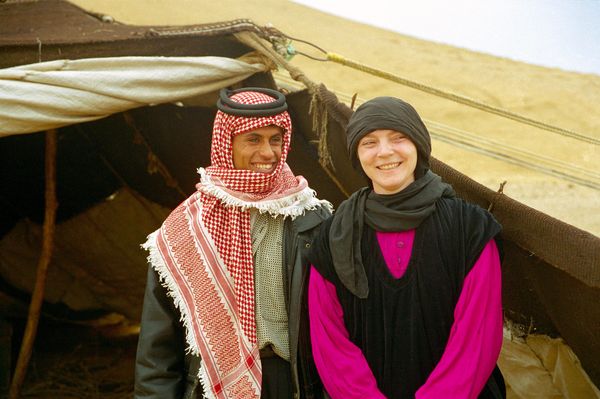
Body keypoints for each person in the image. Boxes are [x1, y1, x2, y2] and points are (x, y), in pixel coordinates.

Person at [134, 87, 332, 399]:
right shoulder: (186, 228)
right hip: (211, 387)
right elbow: (158, 349)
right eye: (253, 139)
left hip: (291, 384)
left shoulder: (310, 216)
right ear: (227, 143)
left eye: (275, 139)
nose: (267, 152)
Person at [307, 97, 505, 398]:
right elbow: (329, 338)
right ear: (357, 155)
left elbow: (477, 335)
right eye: (369, 142)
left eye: (398, 138)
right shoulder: (334, 234)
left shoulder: (469, 227)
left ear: (419, 146)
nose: (385, 152)